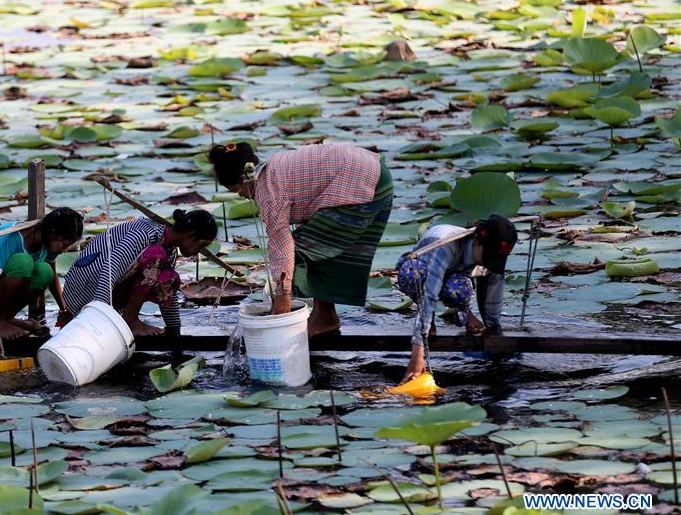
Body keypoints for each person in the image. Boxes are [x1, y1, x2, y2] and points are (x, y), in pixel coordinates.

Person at [208, 142, 394, 337]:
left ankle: (324, 317)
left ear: (242, 178)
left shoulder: (268, 191)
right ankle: (325, 316)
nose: (240, 195)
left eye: (236, 190)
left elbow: (282, 246)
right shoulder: (273, 170)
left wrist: (282, 298)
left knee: (300, 252)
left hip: (365, 181)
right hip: (376, 174)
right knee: (314, 244)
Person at [396, 214, 518, 383]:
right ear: (475, 240)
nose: (488, 262)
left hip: (455, 276)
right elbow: (429, 295)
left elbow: (492, 296)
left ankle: (465, 313)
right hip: (421, 272)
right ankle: (431, 322)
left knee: (460, 290)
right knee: (414, 275)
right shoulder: (445, 245)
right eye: (488, 256)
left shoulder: (489, 256)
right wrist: (417, 355)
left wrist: (494, 332)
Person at [61, 209, 217, 338]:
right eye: (201, 245)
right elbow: (110, 269)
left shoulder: (169, 249)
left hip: (100, 297)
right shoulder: (145, 234)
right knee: (155, 255)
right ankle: (130, 320)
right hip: (83, 293)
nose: (199, 251)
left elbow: (167, 286)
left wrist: (174, 330)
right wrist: (98, 318)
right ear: (190, 234)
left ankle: (128, 318)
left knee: (170, 277)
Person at [0, 207, 84, 358]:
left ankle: (7, 319)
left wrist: (65, 310)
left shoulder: (48, 241)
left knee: (45, 271)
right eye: (64, 244)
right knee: (23, 262)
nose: (65, 250)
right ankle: (0, 321)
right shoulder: (10, 238)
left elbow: (52, 279)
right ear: (52, 232)